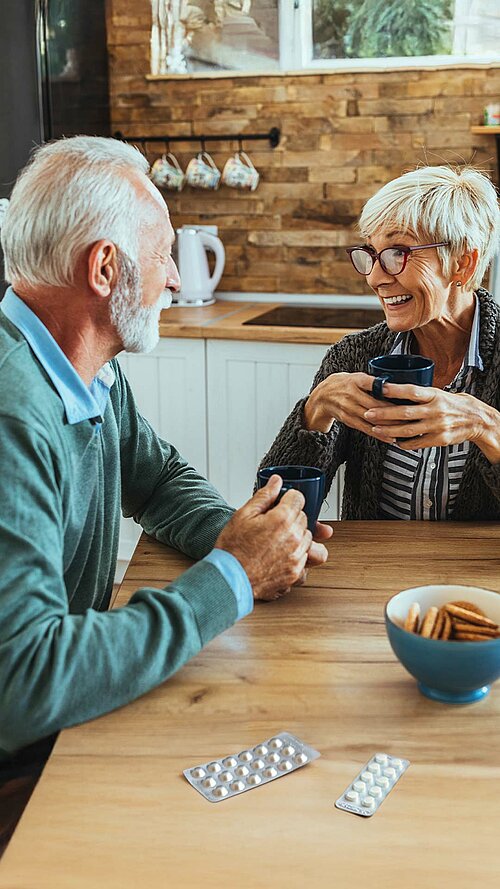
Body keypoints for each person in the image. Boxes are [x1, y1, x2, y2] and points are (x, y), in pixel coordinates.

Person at [0, 136, 331, 851]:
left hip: (59, 727)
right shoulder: (12, 409)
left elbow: (156, 476)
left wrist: (251, 536)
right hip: (23, 768)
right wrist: (233, 576)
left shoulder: (81, 368)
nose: (177, 280)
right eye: (164, 254)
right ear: (104, 267)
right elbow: (26, 681)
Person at [260, 165, 500, 521]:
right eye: (371, 253)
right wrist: (315, 412)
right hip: (371, 569)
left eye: (398, 253)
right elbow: (272, 510)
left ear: (463, 264)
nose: (375, 277)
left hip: (474, 576)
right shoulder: (352, 357)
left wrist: (487, 427)